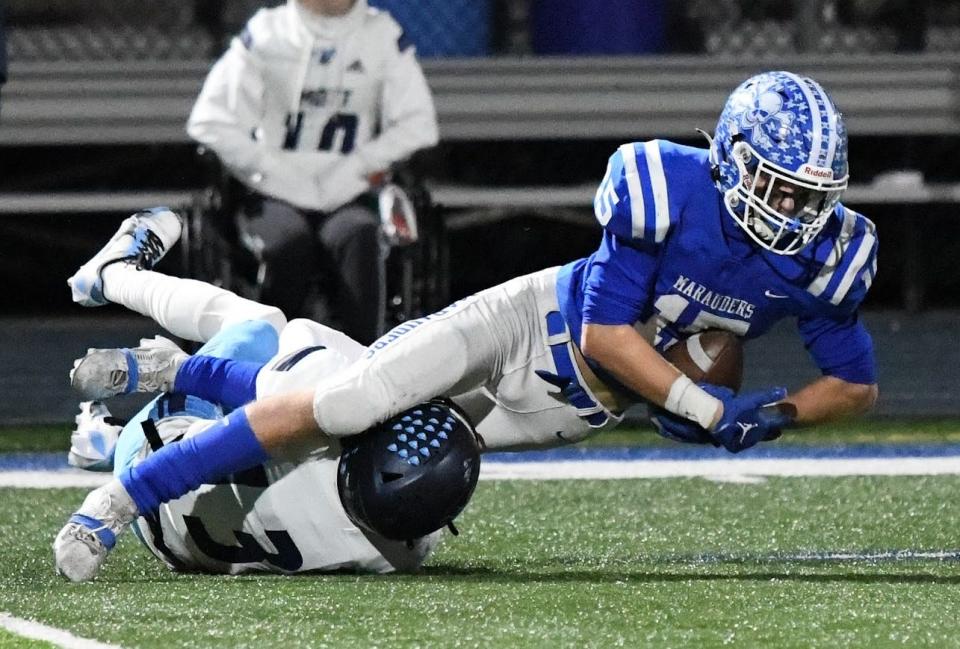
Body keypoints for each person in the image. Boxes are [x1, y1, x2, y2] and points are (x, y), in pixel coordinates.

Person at [55, 71, 879, 582]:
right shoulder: (666, 182)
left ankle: (169, 385)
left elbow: (856, 380)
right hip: (526, 327)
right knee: (344, 403)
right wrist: (705, 409)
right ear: (732, 161)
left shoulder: (827, 257)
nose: (799, 213)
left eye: (814, 196)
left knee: (393, 494)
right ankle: (122, 491)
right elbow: (604, 335)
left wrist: (774, 416)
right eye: (781, 189)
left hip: (564, 412)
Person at [58, 210, 442, 580]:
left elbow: (229, 421)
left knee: (262, 328)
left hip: (155, 470)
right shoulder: (404, 554)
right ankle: (113, 439)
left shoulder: (343, 405)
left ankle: (113, 276)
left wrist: (173, 369)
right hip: (172, 545)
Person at [186, 0, 438, 344]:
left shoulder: (381, 35)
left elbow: (418, 123)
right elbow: (210, 121)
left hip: (348, 194)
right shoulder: (265, 33)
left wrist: (358, 166)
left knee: (360, 238)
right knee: (287, 246)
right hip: (271, 194)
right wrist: (271, 170)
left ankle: (362, 362)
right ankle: (270, 362)